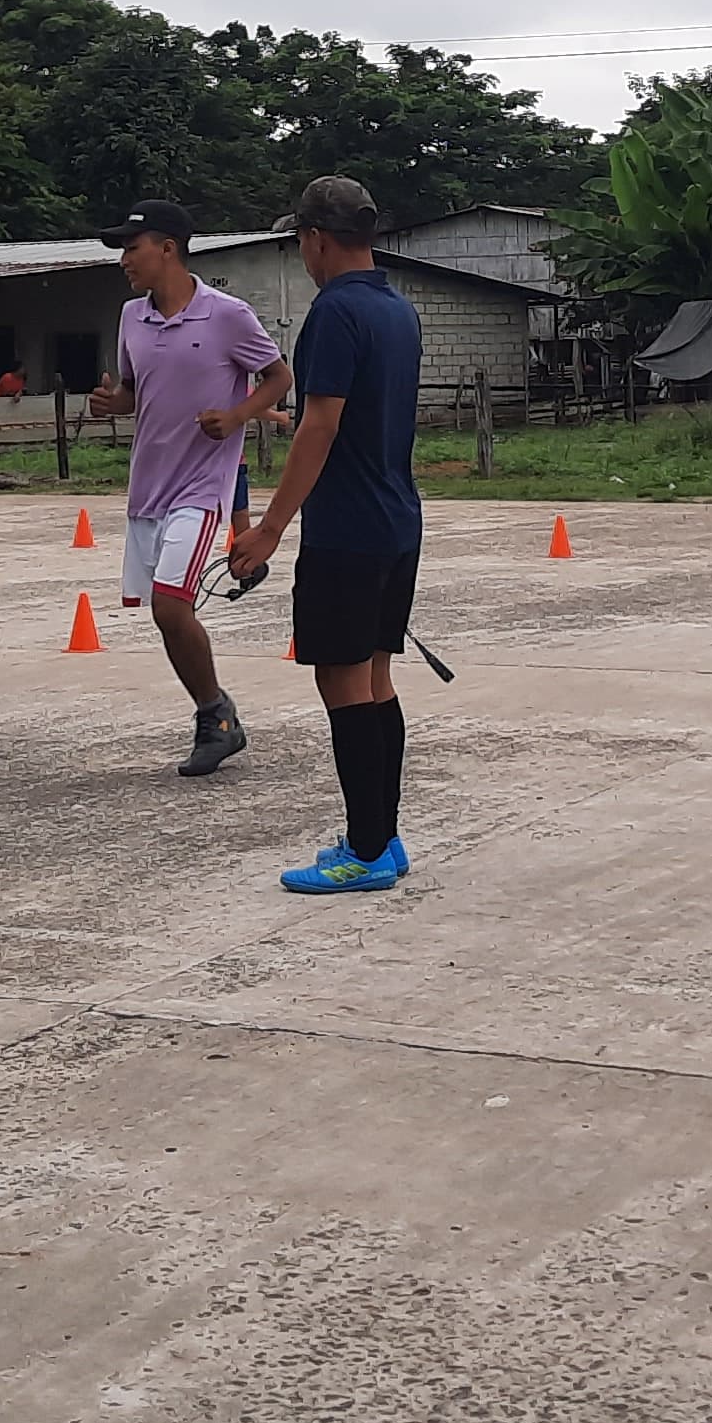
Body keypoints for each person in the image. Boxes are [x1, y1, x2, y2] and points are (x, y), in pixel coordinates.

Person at [226, 176, 420, 891]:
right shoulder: (397, 308)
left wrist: (270, 527)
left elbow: (321, 423)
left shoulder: (334, 311)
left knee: (341, 680)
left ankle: (365, 851)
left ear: (315, 238)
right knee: (375, 677)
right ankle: (382, 836)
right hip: (397, 519)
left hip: (347, 527)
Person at [85, 199, 291, 777]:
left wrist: (238, 415)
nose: (124, 260)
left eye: (132, 248)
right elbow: (133, 393)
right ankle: (214, 710)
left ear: (168, 248)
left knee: (171, 604)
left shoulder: (227, 315)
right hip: (148, 486)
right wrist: (112, 404)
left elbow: (278, 376)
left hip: (202, 488)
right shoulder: (131, 317)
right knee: (165, 615)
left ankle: (216, 718)